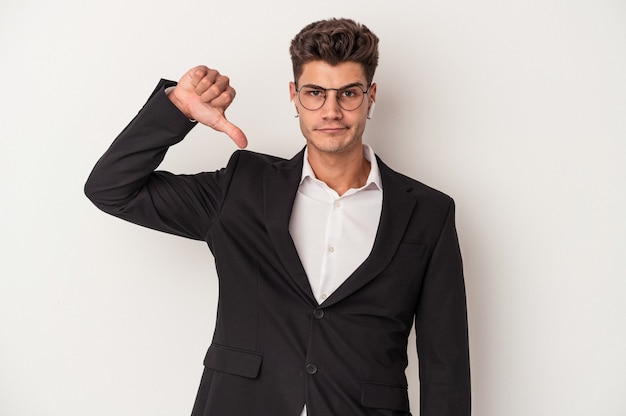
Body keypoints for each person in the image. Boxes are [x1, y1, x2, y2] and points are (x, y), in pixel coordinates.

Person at [85, 18, 470, 416]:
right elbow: (112, 189)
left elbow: (447, 364)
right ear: (294, 95)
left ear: (371, 96)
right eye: (315, 93)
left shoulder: (427, 212)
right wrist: (178, 110)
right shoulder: (241, 188)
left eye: (349, 93)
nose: (332, 111)